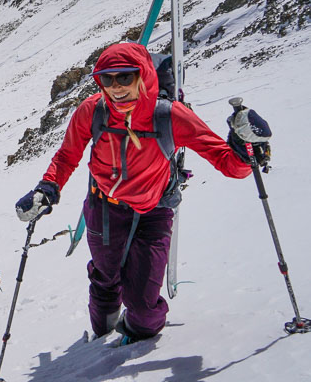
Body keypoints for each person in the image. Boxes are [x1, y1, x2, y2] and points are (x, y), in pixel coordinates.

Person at [15, 43, 271, 343]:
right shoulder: (92, 111)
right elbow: (67, 156)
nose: (116, 87)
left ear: (143, 75)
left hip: (154, 210)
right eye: (107, 79)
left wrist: (245, 149)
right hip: (104, 208)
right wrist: (47, 188)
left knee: (144, 306)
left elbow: (229, 165)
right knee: (104, 278)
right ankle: (100, 339)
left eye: (125, 77)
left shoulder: (170, 115)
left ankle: (135, 334)